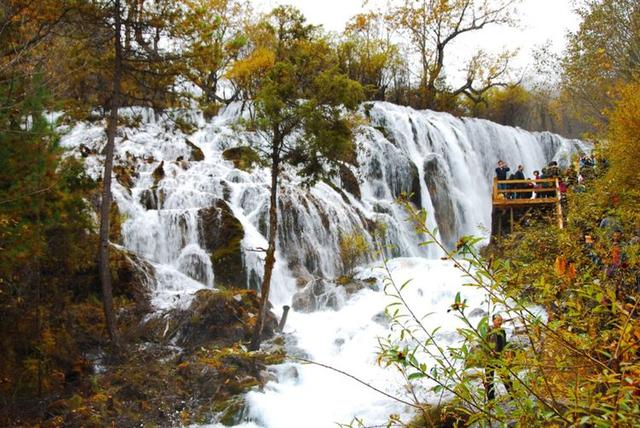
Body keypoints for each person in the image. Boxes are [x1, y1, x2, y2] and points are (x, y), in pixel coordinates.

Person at [484, 314, 513, 402]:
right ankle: (491, 401)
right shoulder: (489, 330)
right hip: (490, 359)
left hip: (500, 358)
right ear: (493, 321)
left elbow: (503, 344)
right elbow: (484, 343)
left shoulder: (503, 331)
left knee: (505, 376)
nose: (500, 322)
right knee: (489, 380)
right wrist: (489, 351)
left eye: (501, 320)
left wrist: (506, 353)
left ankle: (513, 395)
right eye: (498, 320)